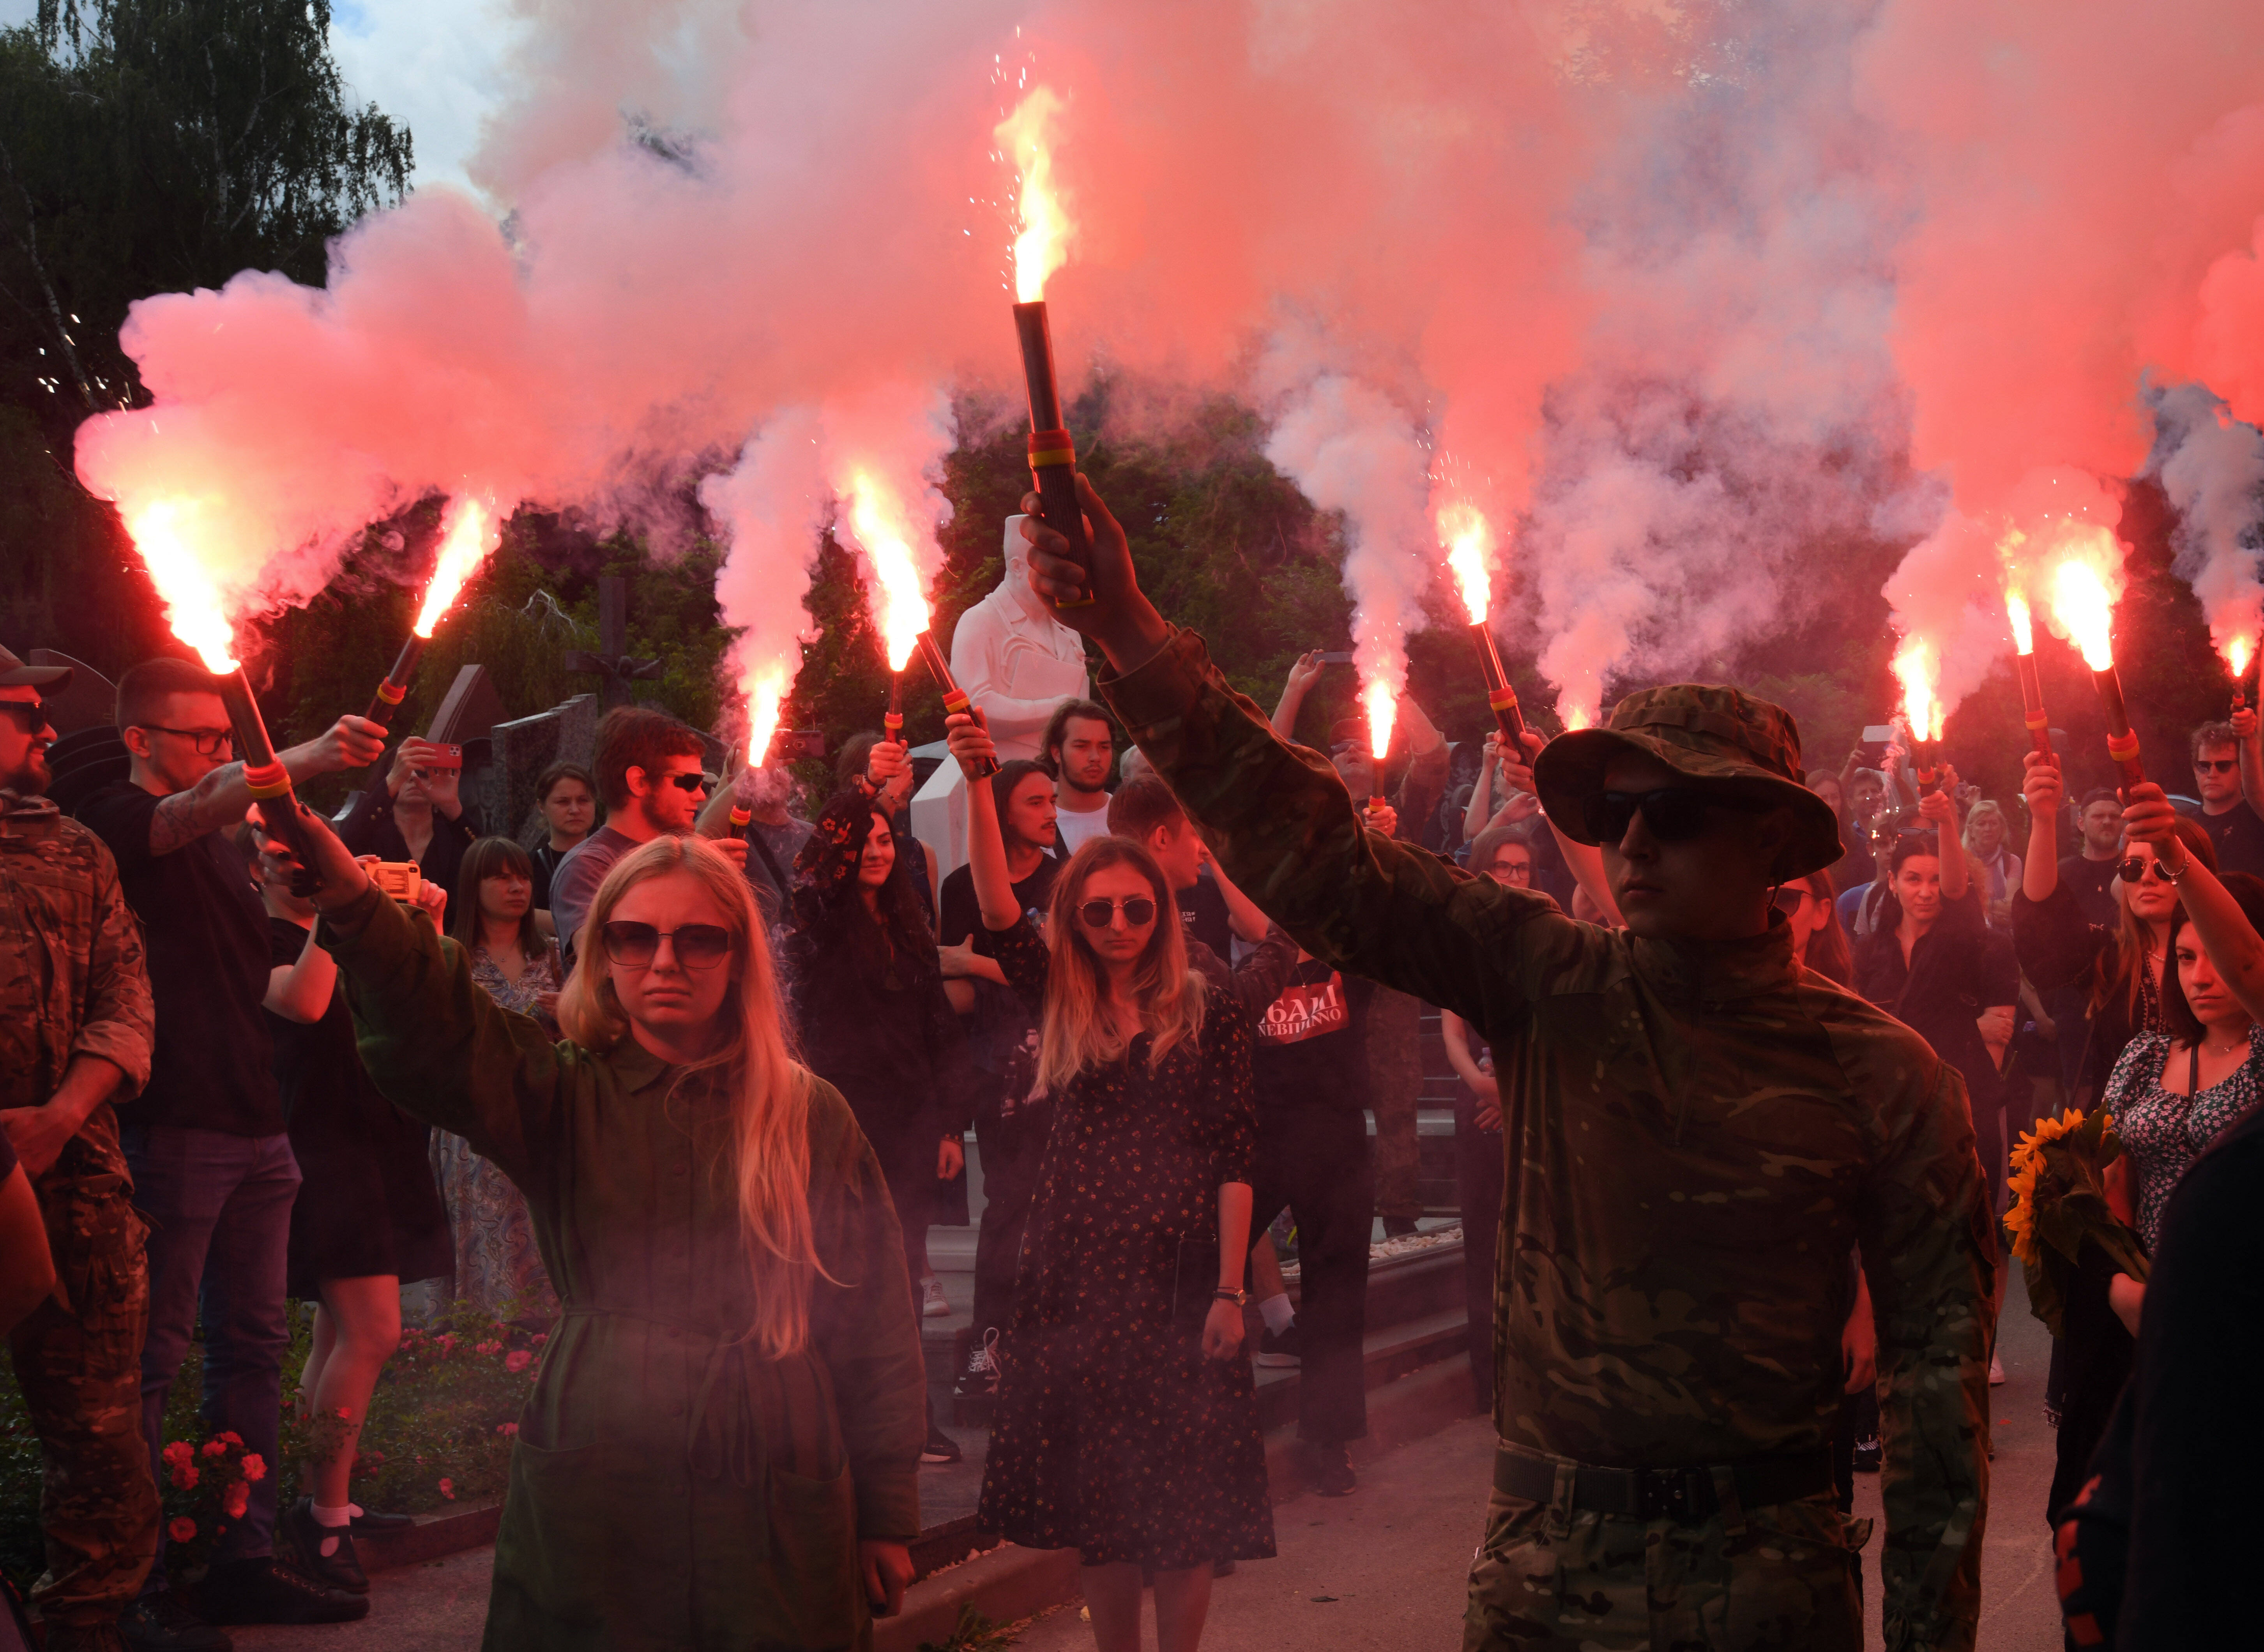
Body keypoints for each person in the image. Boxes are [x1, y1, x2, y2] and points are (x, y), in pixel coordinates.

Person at [1014, 472, 1993, 1651]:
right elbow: (1318, 851)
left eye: (1675, 811)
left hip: (1766, 1590)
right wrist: (1129, 629)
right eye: (1616, 810)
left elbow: (1937, 1406)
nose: (1633, 839)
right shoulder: (1546, 976)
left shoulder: (1884, 1076)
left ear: (1771, 840)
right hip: (1549, 1586)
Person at [278, 812, 928, 1648]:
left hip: (776, 1465)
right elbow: (440, 1032)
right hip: (599, 1454)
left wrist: (886, 1511)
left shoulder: (809, 1113)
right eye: (634, 935)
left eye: (699, 938)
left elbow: (874, 1320)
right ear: (603, 950)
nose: (664, 960)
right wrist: (355, 903)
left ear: (740, 956)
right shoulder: (560, 1093)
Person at [74, 655, 377, 1640]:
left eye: (225, 735)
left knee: (252, 1346)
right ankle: (138, 1581)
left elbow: (266, 982)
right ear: (140, 738)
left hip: (256, 1126)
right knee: (153, 1355)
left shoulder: (225, 851)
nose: (218, 751)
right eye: (202, 737)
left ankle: (238, 1559)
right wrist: (303, 755)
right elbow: (192, 808)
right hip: (174, 1124)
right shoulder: (117, 820)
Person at [957, 796, 1274, 1652]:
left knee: (1185, 1504)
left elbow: (1235, 1152)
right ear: (1074, 920)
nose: (1119, 924)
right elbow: (995, 907)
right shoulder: (1062, 994)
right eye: (1097, 911)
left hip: (1181, 1278)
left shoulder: (1211, 1007)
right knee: (1101, 1507)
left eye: (1137, 907)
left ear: (1163, 911)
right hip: (1078, 1280)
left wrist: (1231, 1290)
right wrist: (980, 781)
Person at [0, 647, 161, 1652]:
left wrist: (61, 1115)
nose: (49, 730)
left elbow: (126, 998)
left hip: (76, 1183)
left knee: (101, 1439)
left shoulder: (75, 850)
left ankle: (87, 1623)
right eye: (26, 712)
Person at [2013, 749, 2218, 1525]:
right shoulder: (2108, 959)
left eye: (2161, 861)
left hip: (2211, 1202)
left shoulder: (2236, 968)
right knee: (2106, 1414)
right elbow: (2040, 927)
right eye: (2130, 866)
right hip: (2116, 1207)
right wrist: (2042, 817)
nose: (2144, 876)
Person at [253, 818, 452, 1597]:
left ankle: (322, 1499)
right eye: (278, 855)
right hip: (320, 1145)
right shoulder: (254, 937)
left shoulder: (344, 932)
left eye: (306, 854)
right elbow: (303, 1003)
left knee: (339, 1331)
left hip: (375, 1137)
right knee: (373, 1330)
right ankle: (324, 1520)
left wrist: (422, 923)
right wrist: (340, 911)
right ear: (252, 872)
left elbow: (418, 1010)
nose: (297, 866)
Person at [783, 740, 975, 1461]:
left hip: (910, 1124)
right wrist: (866, 789)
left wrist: (951, 1122)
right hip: (834, 1121)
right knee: (837, 1265)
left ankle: (910, 1417)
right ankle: (836, 1413)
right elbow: (810, 869)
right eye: (860, 840)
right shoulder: (818, 922)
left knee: (901, 1268)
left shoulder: (909, 922)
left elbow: (936, 1025)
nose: (875, 850)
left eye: (886, 838)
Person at [1438, 825, 1557, 1417]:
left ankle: (1539, 1374)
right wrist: (1480, 1084)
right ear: (1481, 870)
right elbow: (1451, 1033)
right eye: (1502, 867)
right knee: (1483, 1244)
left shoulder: (1548, 938)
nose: (1513, 877)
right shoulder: (1461, 940)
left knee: (1539, 1243)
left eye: (1521, 867)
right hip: (1479, 1103)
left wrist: (1514, 1089)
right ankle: (1489, 1382)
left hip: (1533, 1103)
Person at [433, 837, 563, 1320]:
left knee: (545, 1233)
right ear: (474, 885)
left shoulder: (553, 956)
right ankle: (483, 1343)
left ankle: (546, 1341)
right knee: (484, 1236)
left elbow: (589, 1034)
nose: (517, 887)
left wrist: (569, 1013)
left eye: (523, 877)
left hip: (543, 1114)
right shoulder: (453, 956)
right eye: (501, 877)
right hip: (475, 1118)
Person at [548, 707, 743, 962]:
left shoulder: (680, 850)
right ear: (638, 781)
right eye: (689, 782)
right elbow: (599, 959)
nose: (700, 795)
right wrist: (690, 882)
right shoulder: (588, 865)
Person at [336, 736, 477, 909]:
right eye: (403, 772)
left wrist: (452, 807)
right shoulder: (371, 832)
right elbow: (344, 847)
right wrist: (392, 782)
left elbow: (490, 862)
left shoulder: (454, 833)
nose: (413, 778)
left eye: (423, 772)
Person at [937, 759, 1059, 949]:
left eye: (1053, 802)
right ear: (1004, 810)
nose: (1052, 814)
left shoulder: (1067, 880)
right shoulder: (959, 885)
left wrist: (976, 963)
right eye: (1036, 803)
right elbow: (952, 961)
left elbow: (1067, 964)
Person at [694, 759, 812, 921]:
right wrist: (750, 773)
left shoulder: (815, 834)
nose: (770, 773)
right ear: (734, 782)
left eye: (779, 767)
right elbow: (694, 851)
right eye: (763, 768)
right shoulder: (730, 836)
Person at [2176, 713, 2264, 877]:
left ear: (2243, 769)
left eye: (2223, 765)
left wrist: (2249, 736)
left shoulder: (2258, 814)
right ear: (2195, 771)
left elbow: (2257, 791)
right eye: (2204, 766)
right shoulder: (2184, 826)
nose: (2212, 774)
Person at [1039, 697, 1117, 855]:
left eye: (1104, 747)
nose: (1096, 757)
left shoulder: (1132, 817)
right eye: (1082, 747)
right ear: (1057, 754)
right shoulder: (1037, 825)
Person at [526, 761, 596, 915]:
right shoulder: (527, 867)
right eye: (563, 802)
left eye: (583, 800)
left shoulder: (615, 861)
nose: (575, 810)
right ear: (541, 807)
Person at [2061, 788, 2126, 928]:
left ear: (2123, 824)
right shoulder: (2062, 874)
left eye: (2114, 816)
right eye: (2098, 816)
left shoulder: (2134, 869)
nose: (2107, 821)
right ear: (2081, 824)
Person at [1961, 799, 2022, 929]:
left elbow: (2012, 908)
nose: (1988, 829)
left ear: (2001, 829)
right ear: (1971, 831)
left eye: (1993, 823)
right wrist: (1995, 909)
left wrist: (1977, 905)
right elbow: (1958, 909)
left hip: (2003, 936)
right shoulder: (1961, 861)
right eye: (1981, 824)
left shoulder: (2012, 861)